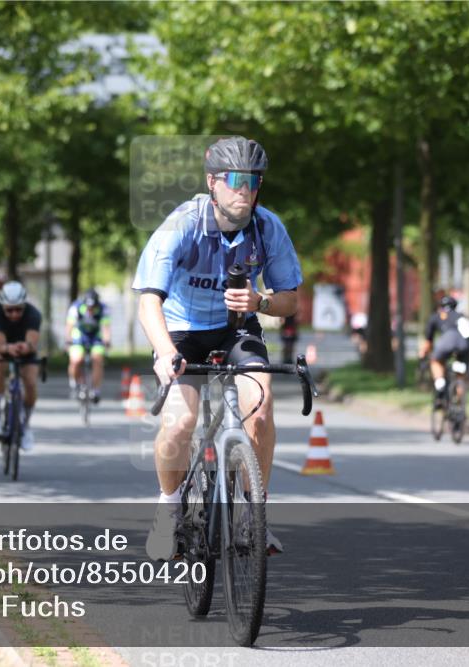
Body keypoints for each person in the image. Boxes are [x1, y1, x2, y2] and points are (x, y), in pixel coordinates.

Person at [132, 136, 302, 560]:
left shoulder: (268, 228)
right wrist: (165, 351)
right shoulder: (182, 225)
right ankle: (169, 509)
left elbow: (290, 299)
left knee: (260, 411)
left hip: (237, 329)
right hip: (182, 331)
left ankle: (252, 516)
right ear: (213, 182)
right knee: (180, 421)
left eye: (254, 180)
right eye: (236, 179)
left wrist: (260, 301)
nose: (245, 189)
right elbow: (148, 300)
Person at [0, 281, 42, 451]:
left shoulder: (33, 314)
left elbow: (32, 342)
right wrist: (7, 348)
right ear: (2, 306)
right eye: (9, 310)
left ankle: (25, 426)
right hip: (4, 346)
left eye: (19, 309)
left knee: (31, 382)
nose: (14, 314)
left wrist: (26, 347)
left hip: (25, 348)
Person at [418, 295, 469, 405]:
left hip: (446, 342)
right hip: (465, 345)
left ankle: (440, 385)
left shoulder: (436, 317)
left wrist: (423, 353)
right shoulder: (461, 316)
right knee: (460, 375)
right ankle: (459, 407)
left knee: (435, 361)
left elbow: (428, 342)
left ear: (441, 306)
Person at [66, 288, 112, 403]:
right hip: (79, 335)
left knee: (97, 359)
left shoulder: (103, 309)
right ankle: (76, 382)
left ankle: (95, 390)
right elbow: (69, 326)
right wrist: (68, 340)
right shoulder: (76, 308)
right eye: (88, 307)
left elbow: (106, 328)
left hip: (95, 337)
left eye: (93, 307)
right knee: (76, 360)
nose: (90, 309)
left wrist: (107, 341)